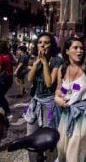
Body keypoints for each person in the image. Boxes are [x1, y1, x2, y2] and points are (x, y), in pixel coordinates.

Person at [23, 32, 63, 162]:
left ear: (52, 45)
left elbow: (49, 83)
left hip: (50, 105)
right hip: (35, 102)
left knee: (49, 136)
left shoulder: (57, 60)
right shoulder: (35, 59)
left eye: (46, 42)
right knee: (31, 135)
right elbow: (29, 79)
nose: (42, 45)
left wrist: (45, 63)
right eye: (40, 42)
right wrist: (36, 64)